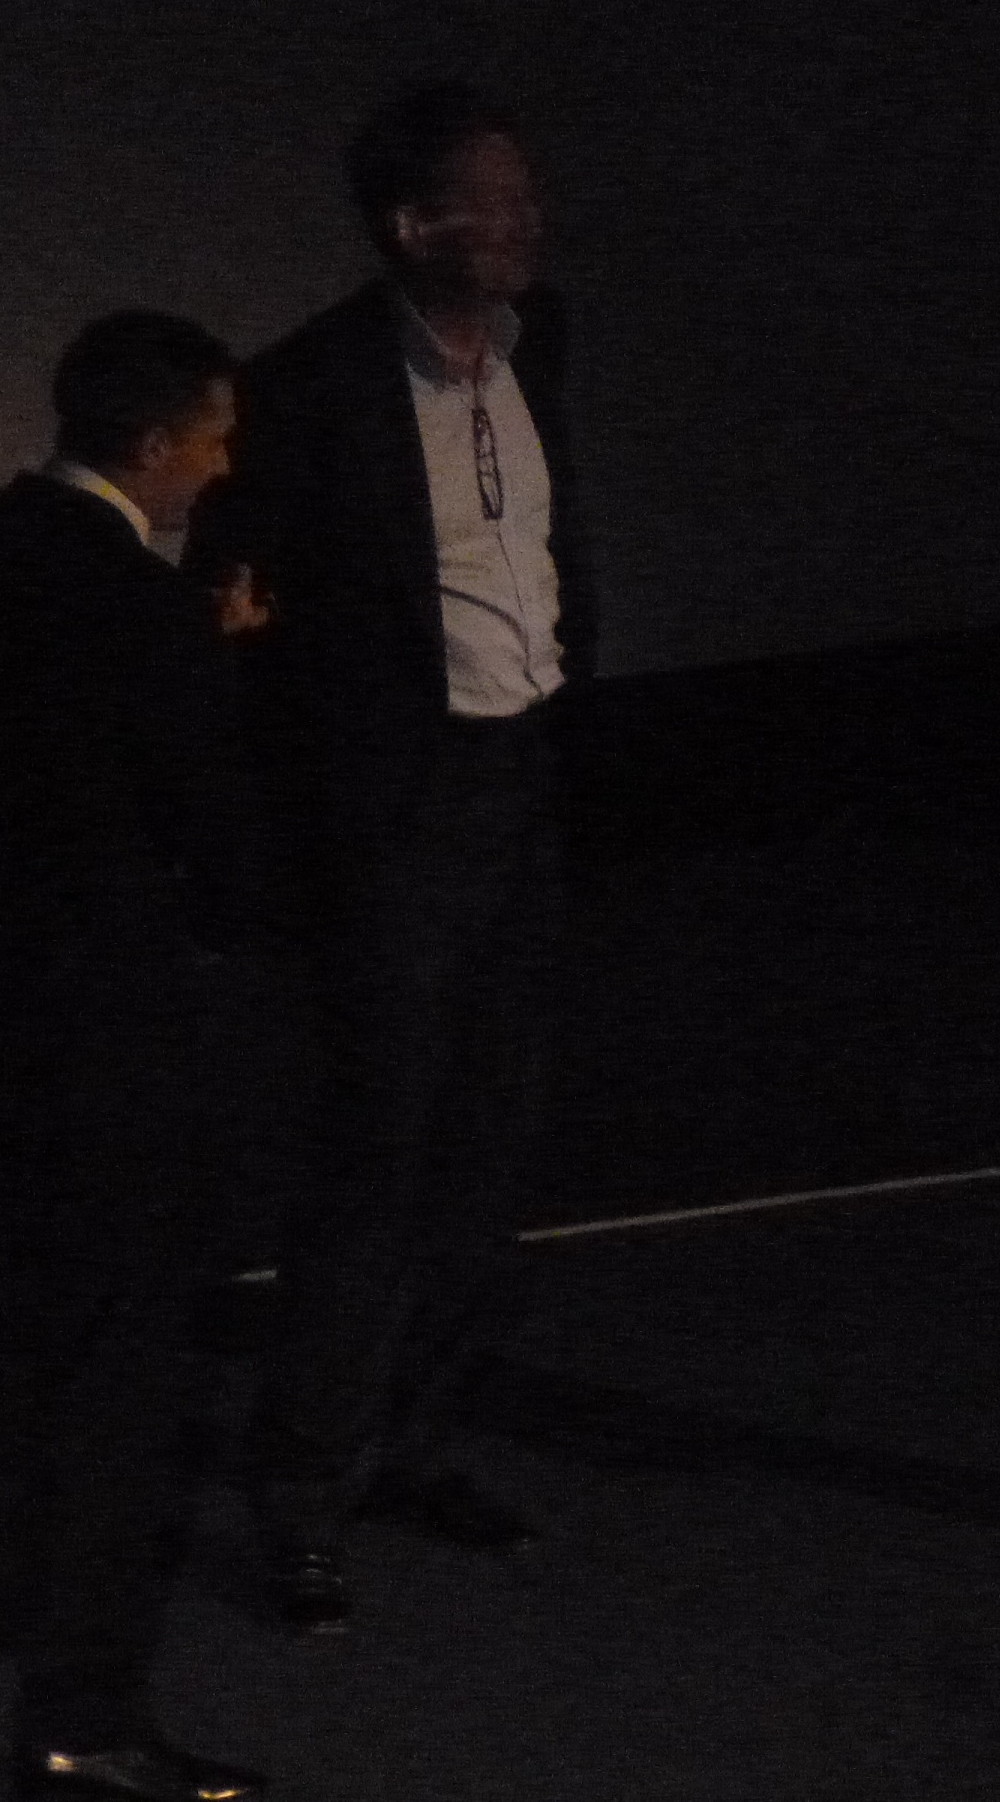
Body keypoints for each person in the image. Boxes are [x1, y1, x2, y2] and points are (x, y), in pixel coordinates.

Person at [182, 82, 599, 1633]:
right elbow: (238, 610)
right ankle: (303, 1494)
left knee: (488, 1158)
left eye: (528, 193)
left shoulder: (543, 343)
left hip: (518, 790)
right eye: (496, 200)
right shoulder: (306, 391)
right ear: (413, 225)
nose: (528, 221)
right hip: (394, 822)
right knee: (374, 1166)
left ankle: (413, 1445)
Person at [0, 310, 271, 1801]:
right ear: (153, 442)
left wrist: (182, 640)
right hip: (115, 1026)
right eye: (213, 438)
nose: (222, 466)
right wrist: (208, 655)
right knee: (125, 1372)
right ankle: (85, 1712)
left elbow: (47, 721)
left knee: (30, 1307)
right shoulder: (143, 605)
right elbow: (212, 832)